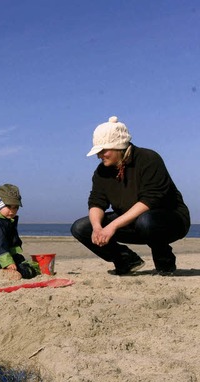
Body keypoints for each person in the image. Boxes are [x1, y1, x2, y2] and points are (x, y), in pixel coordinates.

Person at [71, 116, 190, 276]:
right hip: (131, 222)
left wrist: (112, 227)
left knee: (146, 221)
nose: (99, 156)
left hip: (168, 221)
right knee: (81, 227)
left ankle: (165, 262)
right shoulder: (101, 172)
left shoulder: (149, 159)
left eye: (103, 151)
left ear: (118, 147)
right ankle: (125, 260)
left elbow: (151, 200)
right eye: (98, 152)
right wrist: (98, 227)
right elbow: (96, 202)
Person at [0, 184, 40, 279]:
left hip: (6, 256)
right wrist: (8, 263)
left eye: (15, 207)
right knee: (26, 272)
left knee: (28, 265)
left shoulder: (4, 220)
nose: (12, 211)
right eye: (8, 206)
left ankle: (1, 271)